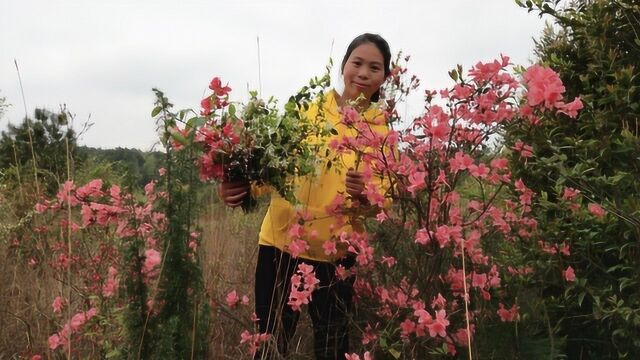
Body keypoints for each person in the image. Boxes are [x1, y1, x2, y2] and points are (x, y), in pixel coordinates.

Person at [220, 33, 392, 360]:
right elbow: (272, 169)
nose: (364, 73)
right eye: (357, 63)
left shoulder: (382, 132)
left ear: (385, 77)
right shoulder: (307, 112)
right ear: (343, 67)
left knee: (332, 348)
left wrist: (367, 197)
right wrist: (240, 189)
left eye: (375, 67)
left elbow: (387, 197)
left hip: (337, 256)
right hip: (281, 247)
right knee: (269, 345)